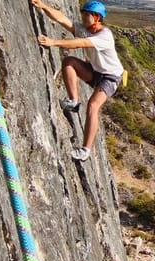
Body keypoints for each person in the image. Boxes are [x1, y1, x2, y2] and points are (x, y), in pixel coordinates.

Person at [31, 0, 124, 161]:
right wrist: (44, 6)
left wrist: (54, 42)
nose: (83, 17)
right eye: (83, 14)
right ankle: (73, 102)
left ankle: (85, 151)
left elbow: (80, 43)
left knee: (93, 105)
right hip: (96, 72)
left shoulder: (105, 35)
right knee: (69, 62)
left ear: (97, 17)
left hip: (111, 77)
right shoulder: (84, 29)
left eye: (87, 15)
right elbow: (61, 18)